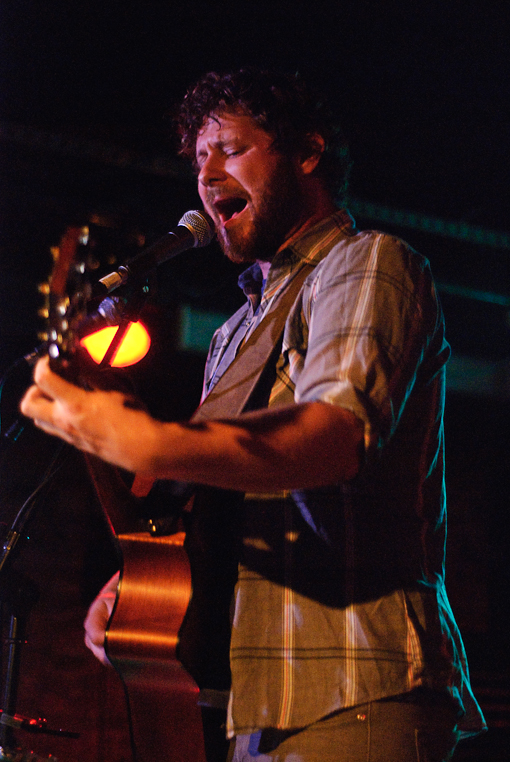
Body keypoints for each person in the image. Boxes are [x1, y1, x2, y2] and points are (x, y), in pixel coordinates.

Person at [20, 68, 486, 761]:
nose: (208, 173)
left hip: (357, 683)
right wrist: (143, 579)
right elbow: (213, 494)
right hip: (254, 700)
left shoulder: (368, 265)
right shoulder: (232, 333)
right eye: (199, 157)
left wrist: (151, 442)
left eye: (231, 148)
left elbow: (332, 435)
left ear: (306, 154)